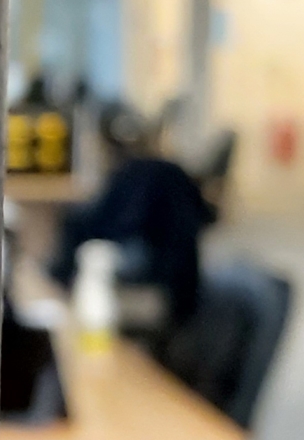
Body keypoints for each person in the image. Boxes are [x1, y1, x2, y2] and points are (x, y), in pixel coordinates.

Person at [50, 104, 215, 330]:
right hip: (184, 296)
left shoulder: (131, 181)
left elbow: (103, 239)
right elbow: (207, 215)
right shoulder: (168, 173)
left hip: (155, 298)